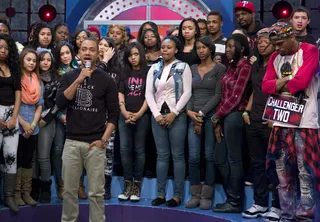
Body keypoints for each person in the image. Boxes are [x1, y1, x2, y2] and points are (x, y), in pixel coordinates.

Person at [56, 37, 119, 222]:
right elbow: (60, 102)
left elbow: (114, 115)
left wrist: (103, 141)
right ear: (79, 53)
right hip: (72, 142)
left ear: (98, 54)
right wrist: (79, 80)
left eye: (92, 49)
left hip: (96, 144)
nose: (88, 53)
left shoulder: (107, 80)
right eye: (84, 49)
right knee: (68, 192)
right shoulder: (69, 76)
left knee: (96, 194)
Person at [262, 22, 319, 222]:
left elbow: (302, 83)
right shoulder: (276, 58)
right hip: (281, 120)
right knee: (282, 173)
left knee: (305, 173)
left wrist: (279, 85)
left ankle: (304, 216)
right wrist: (288, 83)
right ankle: (286, 216)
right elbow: (265, 86)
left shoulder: (309, 50)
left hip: (305, 122)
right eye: (274, 45)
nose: (276, 49)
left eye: (279, 44)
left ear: (291, 37)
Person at [145, 36, 192, 207]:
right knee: (162, 156)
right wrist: (156, 114)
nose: (165, 50)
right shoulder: (154, 67)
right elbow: (148, 93)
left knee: (178, 156)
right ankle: (160, 194)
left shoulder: (183, 67)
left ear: (176, 50)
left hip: (177, 116)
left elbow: (187, 92)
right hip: (157, 115)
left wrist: (175, 112)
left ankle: (177, 195)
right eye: (163, 47)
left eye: (169, 47)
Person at [241, 28, 281, 221]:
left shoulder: (280, 63)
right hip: (254, 119)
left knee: (275, 166)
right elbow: (255, 91)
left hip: (271, 122)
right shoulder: (256, 65)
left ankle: (278, 206)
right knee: (257, 165)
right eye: (260, 41)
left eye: (266, 41)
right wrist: (247, 111)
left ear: (274, 43)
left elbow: (283, 93)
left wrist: (276, 118)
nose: (262, 43)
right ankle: (260, 203)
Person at [212, 34, 251, 213]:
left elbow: (236, 97)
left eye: (231, 47)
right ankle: (231, 197)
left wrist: (217, 116)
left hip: (235, 116)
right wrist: (218, 118)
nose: (227, 50)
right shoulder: (230, 66)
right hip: (225, 116)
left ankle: (235, 202)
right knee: (220, 159)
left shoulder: (245, 67)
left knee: (234, 159)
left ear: (241, 49)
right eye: (226, 47)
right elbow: (224, 95)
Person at [185, 36, 225, 210]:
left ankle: (207, 196)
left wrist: (201, 114)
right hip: (193, 115)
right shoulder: (192, 68)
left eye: (204, 47)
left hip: (210, 116)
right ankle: (195, 195)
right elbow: (188, 93)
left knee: (209, 156)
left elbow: (218, 95)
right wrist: (189, 112)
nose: (200, 50)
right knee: (193, 157)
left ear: (211, 49)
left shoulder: (219, 68)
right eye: (198, 48)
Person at [117, 42, 150, 202]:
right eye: (130, 55)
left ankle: (137, 184)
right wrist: (124, 112)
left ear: (141, 55)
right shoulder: (124, 71)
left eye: (136, 54)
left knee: (139, 150)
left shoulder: (148, 71)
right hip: (124, 115)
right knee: (124, 150)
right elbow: (120, 93)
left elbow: (149, 95)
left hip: (142, 115)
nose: (133, 58)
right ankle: (127, 183)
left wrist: (137, 115)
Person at [30, 48, 60, 203]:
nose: (45, 62)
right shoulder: (30, 77)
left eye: (48, 60)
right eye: (42, 59)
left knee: (43, 156)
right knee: (33, 157)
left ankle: (45, 188)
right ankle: (33, 187)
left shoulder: (56, 78)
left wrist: (46, 119)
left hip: (47, 120)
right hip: (30, 120)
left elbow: (58, 103)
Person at [16, 48, 44, 207]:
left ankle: (26, 192)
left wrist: (32, 124)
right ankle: (16, 192)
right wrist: (23, 123)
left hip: (33, 127)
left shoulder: (38, 81)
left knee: (28, 159)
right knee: (17, 159)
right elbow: (13, 104)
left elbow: (39, 105)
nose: (32, 63)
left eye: (34, 60)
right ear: (22, 60)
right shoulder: (16, 78)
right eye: (28, 59)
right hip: (18, 125)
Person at [0, 34, 21, 213]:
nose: (3, 50)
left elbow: (18, 93)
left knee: (11, 155)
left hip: (11, 114)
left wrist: (14, 117)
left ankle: (8, 196)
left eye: (6, 48)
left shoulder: (13, 68)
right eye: (0, 47)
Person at [97, 37, 118, 200]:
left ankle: (107, 185)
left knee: (108, 151)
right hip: (92, 115)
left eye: (107, 46)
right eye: (101, 45)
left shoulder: (118, 68)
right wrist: (103, 61)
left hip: (109, 115)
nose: (103, 47)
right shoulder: (92, 66)